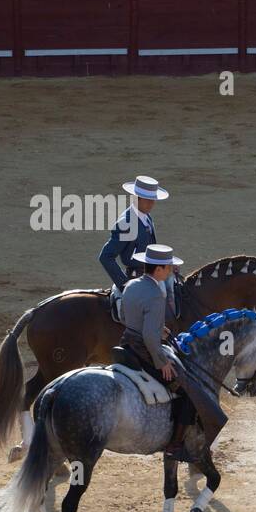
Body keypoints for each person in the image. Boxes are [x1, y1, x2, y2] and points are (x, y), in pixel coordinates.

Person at [112, 245, 225, 461]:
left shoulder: (131, 285)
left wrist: (158, 328)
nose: (172, 271)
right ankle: (175, 445)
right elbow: (148, 337)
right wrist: (161, 361)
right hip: (145, 350)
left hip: (126, 343)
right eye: (169, 268)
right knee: (188, 393)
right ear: (159, 270)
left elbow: (126, 318)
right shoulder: (156, 293)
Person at [99, 176, 167, 290]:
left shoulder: (146, 216)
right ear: (136, 198)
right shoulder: (126, 223)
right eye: (148, 199)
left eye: (153, 199)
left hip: (150, 276)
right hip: (136, 280)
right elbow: (106, 256)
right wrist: (125, 285)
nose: (152, 203)